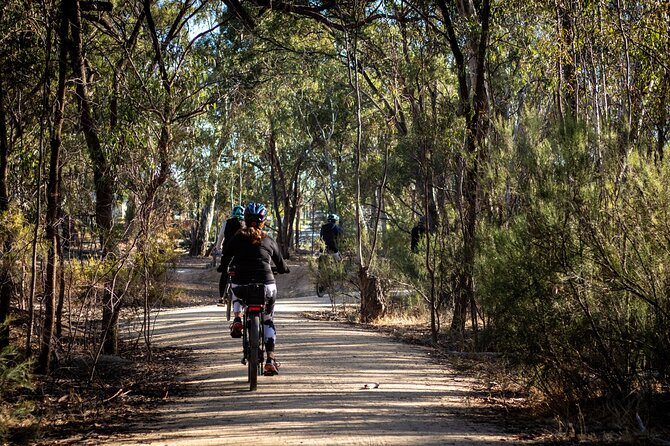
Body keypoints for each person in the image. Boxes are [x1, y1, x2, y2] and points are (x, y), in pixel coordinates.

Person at [217, 202, 290, 376]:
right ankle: (270, 360)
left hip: (242, 286)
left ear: (245, 221)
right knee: (268, 320)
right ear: (264, 221)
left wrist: (223, 267)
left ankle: (237, 318)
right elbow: (280, 264)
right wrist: (283, 269)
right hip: (267, 287)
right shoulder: (269, 239)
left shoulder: (236, 237)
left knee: (235, 288)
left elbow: (226, 257)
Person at [215, 205, 245, 304]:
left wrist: (217, 248)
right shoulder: (245, 224)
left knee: (224, 273)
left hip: (227, 251)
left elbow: (220, 236)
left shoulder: (227, 222)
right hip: (241, 253)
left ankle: (221, 297)